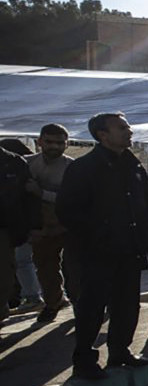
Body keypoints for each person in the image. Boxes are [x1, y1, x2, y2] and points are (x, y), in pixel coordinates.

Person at [57, 112, 148, 378]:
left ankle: (120, 352)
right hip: (98, 252)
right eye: (122, 128)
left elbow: (144, 205)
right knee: (92, 307)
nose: (129, 132)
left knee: (127, 305)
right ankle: (85, 362)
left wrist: (145, 239)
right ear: (103, 134)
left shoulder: (133, 166)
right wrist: (98, 236)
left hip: (130, 250)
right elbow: (67, 211)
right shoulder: (84, 168)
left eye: (128, 127)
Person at [25, 123, 79, 322]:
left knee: (75, 268)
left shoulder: (72, 167)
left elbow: (73, 199)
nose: (54, 146)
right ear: (40, 142)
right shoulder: (27, 163)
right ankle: (53, 302)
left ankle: (81, 304)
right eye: (49, 142)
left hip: (69, 225)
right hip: (42, 228)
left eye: (60, 143)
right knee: (46, 268)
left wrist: (42, 193)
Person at [1, 142, 38, 324]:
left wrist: (31, 227)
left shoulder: (14, 162)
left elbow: (27, 198)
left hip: (5, 229)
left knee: (5, 276)